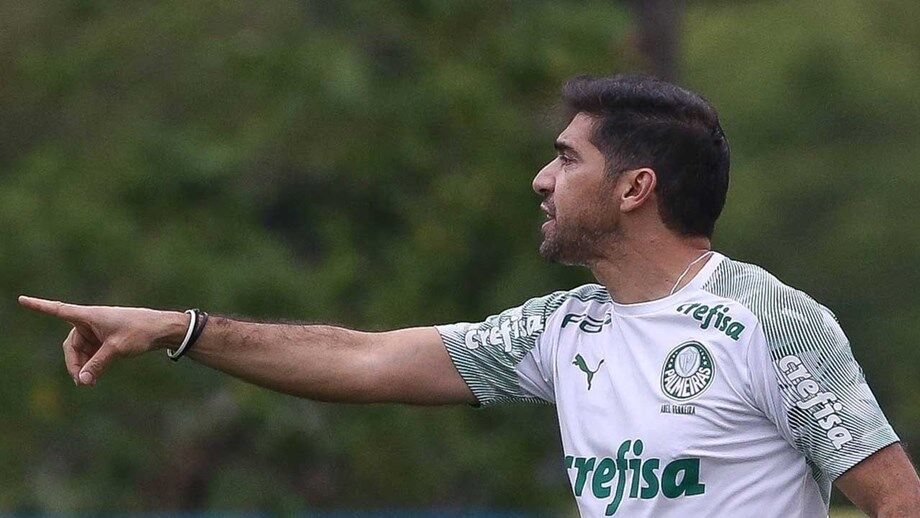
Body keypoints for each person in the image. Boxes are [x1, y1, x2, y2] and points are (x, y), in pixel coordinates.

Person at [19, 75, 920, 517]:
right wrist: (179, 328)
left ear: (635, 188)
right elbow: (365, 360)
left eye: (565, 159)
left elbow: (895, 499)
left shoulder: (770, 322)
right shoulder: (564, 329)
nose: (541, 178)